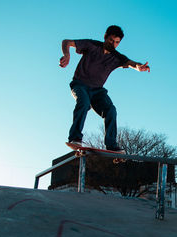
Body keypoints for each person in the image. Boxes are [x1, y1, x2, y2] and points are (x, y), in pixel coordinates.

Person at [59, 25, 150, 153]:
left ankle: (111, 145)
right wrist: (67, 55)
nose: (113, 44)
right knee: (84, 103)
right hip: (80, 84)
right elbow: (66, 42)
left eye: (117, 42)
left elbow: (130, 63)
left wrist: (139, 67)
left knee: (111, 110)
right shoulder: (92, 45)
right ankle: (75, 137)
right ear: (105, 37)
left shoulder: (117, 57)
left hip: (97, 91)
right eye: (111, 40)